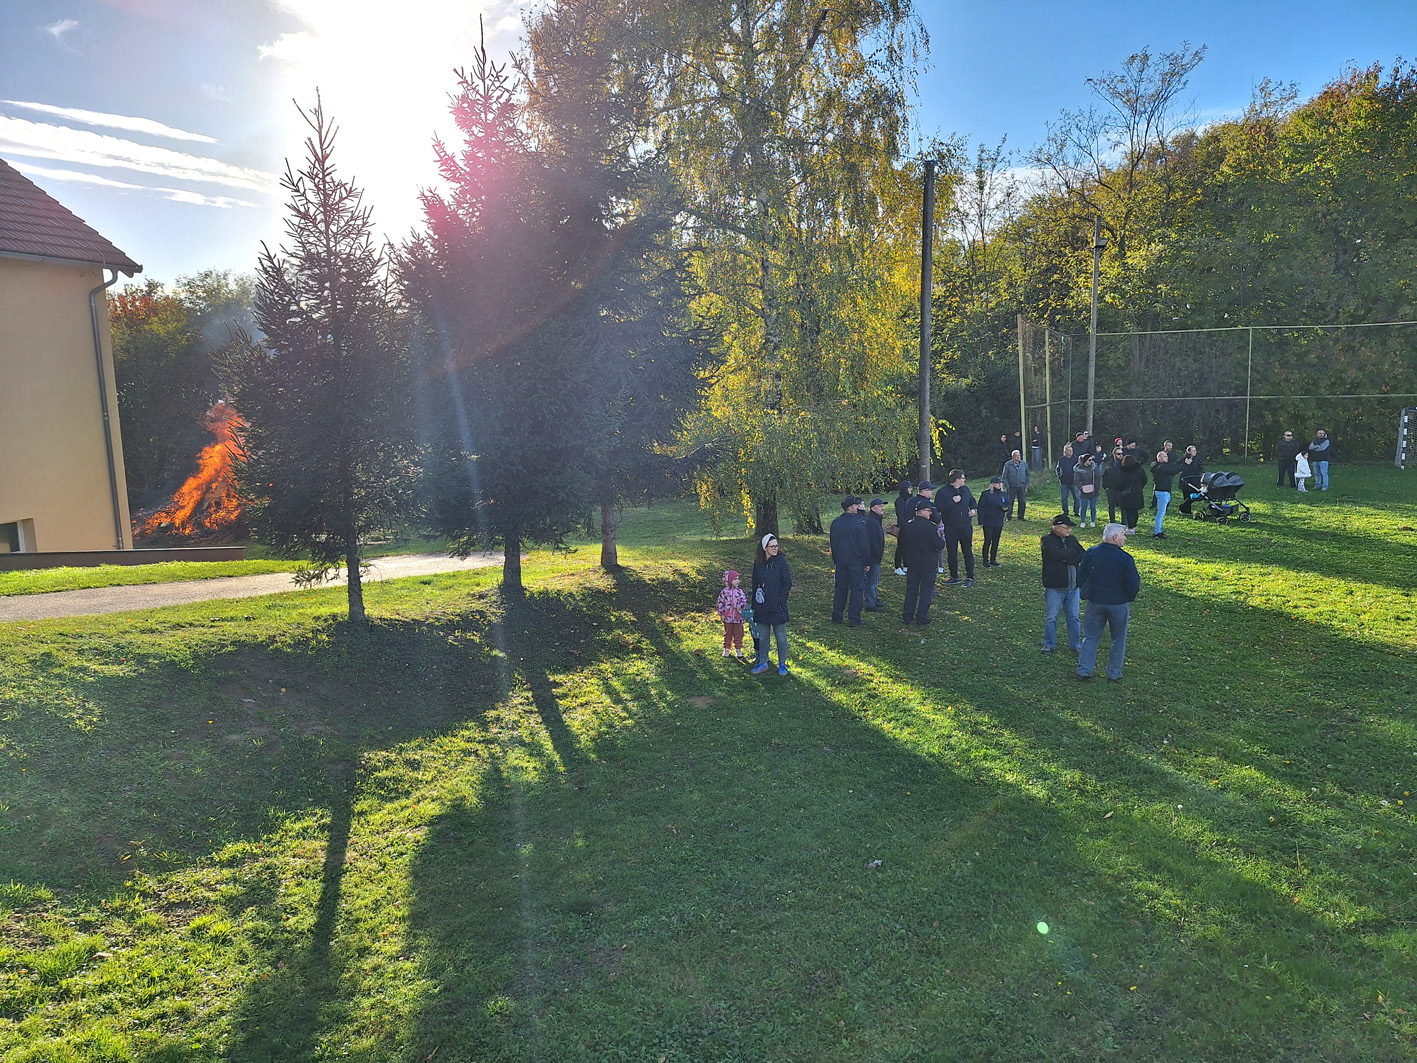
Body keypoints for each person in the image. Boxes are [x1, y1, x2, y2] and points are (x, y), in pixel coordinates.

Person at [1076, 523, 1141, 682]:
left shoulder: (1092, 552)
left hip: (1095, 602)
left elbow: (1081, 575)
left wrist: (1085, 592)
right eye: (1123, 535)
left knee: (1090, 637)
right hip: (1118, 603)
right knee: (1118, 639)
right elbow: (1134, 583)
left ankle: (1084, 670)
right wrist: (1127, 597)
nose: (1125, 538)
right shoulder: (1125, 558)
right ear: (1115, 537)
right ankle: (1114, 673)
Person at [1040, 513, 1085, 654]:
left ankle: (1075, 645)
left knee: (1074, 617)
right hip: (1055, 586)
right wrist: (1071, 555)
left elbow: (1082, 554)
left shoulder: (1072, 540)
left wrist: (1067, 557)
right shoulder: (1047, 540)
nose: (1069, 530)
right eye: (1066, 527)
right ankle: (1049, 644)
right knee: (1051, 617)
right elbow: (1055, 555)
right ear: (1057, 528)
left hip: (1073, 586)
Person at [899, 496, 948, 625]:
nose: (930, 513)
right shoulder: (930, 527)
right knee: (926, 591)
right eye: (928, 511)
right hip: (928, 564)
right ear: (921, 512)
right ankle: (922, 616)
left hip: (912, 563)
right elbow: (939, 545)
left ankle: (907, 615)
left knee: (911, 590)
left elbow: (901, 545)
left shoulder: (907, 526)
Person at [751, 535, 793, 674]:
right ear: (765, 548)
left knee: (780, 635)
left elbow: (787, 583)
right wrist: (755, 603)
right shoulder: (758, 563)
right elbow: (755, 583)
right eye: (772, 546)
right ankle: (763, 662)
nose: (775, 549)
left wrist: (780, 600)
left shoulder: (781, 562)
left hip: (778, 605)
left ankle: (782, 664)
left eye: (776, 546)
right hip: (762, 604)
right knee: (763, 635)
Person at [829, 497, 870, 626]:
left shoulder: (836, 523)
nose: (857, 508)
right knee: (857, 589)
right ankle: (854, 617)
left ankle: (837, 614)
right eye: (855, 506)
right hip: (855, 562)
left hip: (841, 561)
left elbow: (833, 544)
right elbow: (864, 545)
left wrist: (836, 560)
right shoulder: (858, 524)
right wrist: (866, 562)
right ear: (850, 508)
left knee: (840, 589)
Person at [937, 469, 978, 587]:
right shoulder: (943, 492)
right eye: (963, 478)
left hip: (965, 526)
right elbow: (939, 508)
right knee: (952, 552)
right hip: (951, 527)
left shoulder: (966, 490)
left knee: (967, 551)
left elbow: (973, 502)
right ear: (957, 480)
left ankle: (970, 577)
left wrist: (974, 510)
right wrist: (952, 501)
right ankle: (954, 576)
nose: (965, 480)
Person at [978, 475, 1009, 567]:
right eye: (997, 483)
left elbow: (1007, 505)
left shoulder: (1004, 494)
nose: (999, 485)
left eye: (1000, 483)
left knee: (996, 540)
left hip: (998, 520)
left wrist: (1005, 508)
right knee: (988, 540)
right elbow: (981, 507)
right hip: (988, 520)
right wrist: (981, 520)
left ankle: (993, 559)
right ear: (992, 484)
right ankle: (985, 560)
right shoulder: (986, 494)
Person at [716, 570, 748, 657]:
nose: (738, 581)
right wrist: (721, 613)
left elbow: (744, 601)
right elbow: (720, 603)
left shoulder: (740, 592)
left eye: (738, 579)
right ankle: (727, 649)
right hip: (728, 617)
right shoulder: (724, 592)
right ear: (729, 580)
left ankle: (738, 649)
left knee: (739, 634)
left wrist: (741, 607)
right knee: (728, 633)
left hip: (738, 617)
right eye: (735, 579)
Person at [864, 497, 887, 611]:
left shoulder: (876, 520)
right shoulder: (871, 522)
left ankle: (874, 599)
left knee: (874, 579)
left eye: (883, 506)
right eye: (880, 506)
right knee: (871, 580)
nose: (882, 508)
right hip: (873, 557)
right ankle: (870, 603)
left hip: (876, 556)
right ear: (873, 508)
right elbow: (871, 541)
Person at [1117, 454, 1148, 535]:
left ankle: (1130, 528)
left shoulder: (1123, 470)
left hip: (1127, 493)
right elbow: (1144, 479)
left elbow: (1120, 481)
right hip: (1137, 491)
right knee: (1135, 510)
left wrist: (1121, 489)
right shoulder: (1139, 469)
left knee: (1128, 511)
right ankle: (1133, 526)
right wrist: (1139, 487)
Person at [1150, 451, 1174, 539]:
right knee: (1160, 513)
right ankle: (1157, 532)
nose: (1166, 458)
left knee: (1162, 512)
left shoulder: (1162, 466)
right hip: (1162, 492)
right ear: (1159, 458)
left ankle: (1158, 530)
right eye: (1164, 456)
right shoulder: (1158, 467)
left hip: (1166, 491)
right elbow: (1172, 471)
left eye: (1167, 456)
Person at [891, 480, 914, 574]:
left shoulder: (910, 499)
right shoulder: (900, 501)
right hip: (903, 527)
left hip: (910, 525)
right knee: (901, 547)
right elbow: (900, 515)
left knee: (908, 547)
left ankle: (906, 565)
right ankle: (897, 566)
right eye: (909, 488)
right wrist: (905, 524)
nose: (911, 489)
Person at [1073, 451, 1100, 528]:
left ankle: (1092, 521)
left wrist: (1096, 487)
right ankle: (1083, 521)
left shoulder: (1094, 468)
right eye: (1089, 460)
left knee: (1093, 507)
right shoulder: (1079, 470)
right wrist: (1081, 487)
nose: (1091, 461)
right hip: (1084, 491)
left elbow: (1098, 477)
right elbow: (1076, 480)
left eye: (1092, 460)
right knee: (1083, 507)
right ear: (1085, 461)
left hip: (1094, 491)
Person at [1001, 450, 1031, 520]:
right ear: (1013, 457)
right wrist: (1007, 486)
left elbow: (1028, 475)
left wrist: (1027, 484)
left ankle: (1021, 516)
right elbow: (1004, 476)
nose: (1018, 457)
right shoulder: (1008, 464)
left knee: (1022, 501)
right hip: (1012, 486)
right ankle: (1008, 516)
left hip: (1022, 486)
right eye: (1016, 456)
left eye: (1019, 455)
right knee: (1010, 502)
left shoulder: (1024, 464)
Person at [1102, 445, 1125, 525]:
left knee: (1123, 506)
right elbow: (1105, 475)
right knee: (1111, 506)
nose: (1121, 455)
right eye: (1118, 454)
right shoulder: (1109, 464)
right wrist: (1106, 486)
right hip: (1111, 488)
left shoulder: (1124, 465)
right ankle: (1112, 521)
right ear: (1114, 454)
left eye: (1121, 454)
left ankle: (1124, 522)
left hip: (1121, 489)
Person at [1056, 443, 1078, 518]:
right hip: (1064, 482)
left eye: (1071, 450)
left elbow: (1079, 469)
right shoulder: (1061, 460)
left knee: (1077, 497)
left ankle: (1076, 512)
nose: (1070, 452)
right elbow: (1058, 469)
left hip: (1074, 482)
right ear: (1065, 452)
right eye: (1069, 450)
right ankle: (1065, 511)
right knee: (1064, 498)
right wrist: (1060, 477)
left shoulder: (1076, 459)